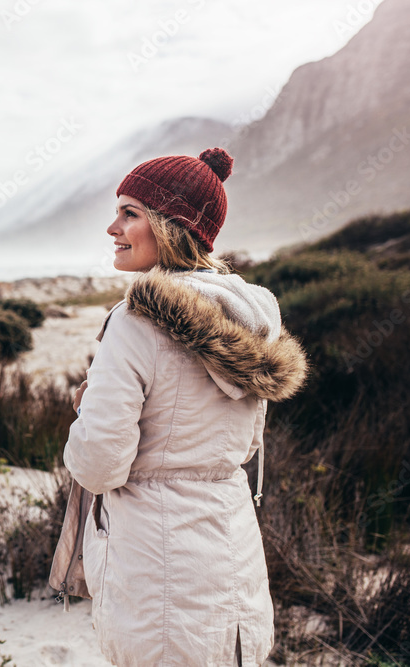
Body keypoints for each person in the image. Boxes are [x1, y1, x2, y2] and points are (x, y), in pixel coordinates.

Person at [48, 148, 310, 666]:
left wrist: (85, 413)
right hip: (231, 546)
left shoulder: (135, 320)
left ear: (170, 225)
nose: (111, 228)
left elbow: (99, 466)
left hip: (155, 563)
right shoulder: (250, 318)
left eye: (130, 212)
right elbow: (247, 442)